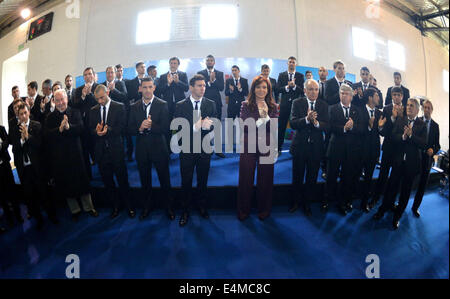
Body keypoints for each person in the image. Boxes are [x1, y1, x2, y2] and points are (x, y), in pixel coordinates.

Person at [45, 89, 98, 221]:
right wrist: (60, 129)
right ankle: (75, 210)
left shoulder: (75, 112)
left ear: (67, 99)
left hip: (76, 154)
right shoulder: (49, 118)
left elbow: (81, 128)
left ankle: (89, 207)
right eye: (57, 100)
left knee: (82, 182)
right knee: (66, 184)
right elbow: (47, 136)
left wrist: (69, 127)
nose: (60, 103)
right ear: (54, 102)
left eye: (62, 99)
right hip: (61, 157)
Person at [373, 98, 427, 230]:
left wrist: (411, 135)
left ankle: (397, 216)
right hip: (397, 162)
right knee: (391, 187)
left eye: (412, 106)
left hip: (411, 165)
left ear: (417, 109)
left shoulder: (422, 124)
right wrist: (403, 137)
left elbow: (423, 143)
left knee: (405, 192)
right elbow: (392, 136)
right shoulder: (401, 119)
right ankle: (382, 209)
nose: (408, 107)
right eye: (407, 105)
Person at [128, 78, 174, 221]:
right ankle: (147, 207)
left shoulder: (162, 104)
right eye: (144, 87)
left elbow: (166, 128)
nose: (147, 90)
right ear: (140, 89)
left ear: (154, 88)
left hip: (159, 148)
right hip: (142, 150)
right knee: (145, 181)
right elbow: (129, 128)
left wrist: (151, 125)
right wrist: (140, 128)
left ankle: (169, 207)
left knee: (165, 180)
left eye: (150, 87)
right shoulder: (134, 106)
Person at [174, 74, 216, 227]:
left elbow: (214, 126)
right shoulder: (180, 105)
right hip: (187, 150)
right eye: (199, 85)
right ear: (191, 87)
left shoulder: (210, 104)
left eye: (204, 85)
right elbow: (176, 131)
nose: (202, 88)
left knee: (202, 180)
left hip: (204, 150)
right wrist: (195, 127)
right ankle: (185, 210)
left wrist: (209, 126)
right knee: (186, 181)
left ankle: (201, 206)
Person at [9, 103, 58, 230]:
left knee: (44, 194)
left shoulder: (37, 125)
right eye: (21, 114)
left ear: (29, 112)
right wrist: (21, 140)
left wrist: (28, 137)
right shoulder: (14, 130)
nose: (24, 116)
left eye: (25, 113)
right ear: (18, 116)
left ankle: (52, 216)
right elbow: (14, 150)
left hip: (37, 168)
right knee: (31, 197)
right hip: (24, 169)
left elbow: (40, 145)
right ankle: (39, 219)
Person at [90, 85, 135, 219]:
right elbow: (90, 130)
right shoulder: (93, 110)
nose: (100, 101)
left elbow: (122, 128)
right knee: (108, 182)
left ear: (108, 93)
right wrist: (96, 131)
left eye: (102, 97)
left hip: (116, 150)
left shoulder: (119, 106)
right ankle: (115, 206)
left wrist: (108, 131)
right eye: (97, 99)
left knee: (123, 180)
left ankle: (129, 205)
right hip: (101, 153)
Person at [237, 76, 278, 221]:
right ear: (253, 89)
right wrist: (263, 119)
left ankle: (264, 210)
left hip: (266, 145)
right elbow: (245, 125)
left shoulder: (273, 106)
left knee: (266, 180)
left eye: (264, 87)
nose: (261, 90)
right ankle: (243, 211)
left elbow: (273, 128)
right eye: (259, 87)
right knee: (245, 180)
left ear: (268, 90)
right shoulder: (246, 104)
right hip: (249, 145)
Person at [289, 79, 329, 216]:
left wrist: (317, 123)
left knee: (312, 178)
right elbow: (293, 123)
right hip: (300, 146)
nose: (314, 92)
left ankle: (307, 204)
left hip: (316, 148)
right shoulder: (297, 103)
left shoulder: (323, 105)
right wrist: (306, 119)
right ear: (305, 91)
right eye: (311, 89)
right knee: (297, 177)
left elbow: (327, 125)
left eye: (316, 89)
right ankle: (295, 202)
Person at [323, 83, 363, 215]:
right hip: (335, 148)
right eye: (342, 93)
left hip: (351, 150)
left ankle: (343, 202)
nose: (344, 96)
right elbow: (328, 127)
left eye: (347, 94)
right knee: (331, 176)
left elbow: (361, 129)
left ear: (352, 96)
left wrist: (352, 127)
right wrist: (344, 129)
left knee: (347, 177)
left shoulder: (357, 110)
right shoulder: (331, 108)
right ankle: (327, 200)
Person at [369, 87, 406, 208]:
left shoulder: (407, 109)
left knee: (395, 177)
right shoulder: (386, 109)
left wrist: (399, 118)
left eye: (398, 95)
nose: (396, 97)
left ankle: (390, 201)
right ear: (391, 96)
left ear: (402, 96)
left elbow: (405, 129)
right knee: (383, 175)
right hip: (388, 147)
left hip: (400, 149)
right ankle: (375, 198)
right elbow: (383, 131)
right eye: (394, 94)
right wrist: (393, 118)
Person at [412, 100, 440, 217]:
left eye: (429, 108)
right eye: (425, 108)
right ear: (422, 109)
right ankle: (401, 203)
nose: (427, 110)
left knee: (422, 185)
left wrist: (433, 150)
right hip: (415, 157)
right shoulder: (416, 122)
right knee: (410, 182)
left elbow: (437, 145)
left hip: (427, 160)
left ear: (432, 110)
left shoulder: (435, 126)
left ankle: (415, 207)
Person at [359, 88, 383, 212]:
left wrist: (380, 127)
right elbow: (357, 131)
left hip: (373, 151)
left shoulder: (379, 113)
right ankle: (347, 200)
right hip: (360, 150)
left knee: (368, 178)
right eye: (376, 95)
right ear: (370, 98)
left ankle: (364, 203)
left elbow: (382, 133)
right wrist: (369, 126)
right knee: (354, 176)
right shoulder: (359, 110)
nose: (378, 98)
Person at [73, 67, 99, 179]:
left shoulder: (98, 87)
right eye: (85, 74)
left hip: (96, 123)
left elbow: (99, 102)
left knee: (97, 149)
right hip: (83, 124)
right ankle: (88, 176)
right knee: (85, 150)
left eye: (89, 74)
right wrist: (83, 95)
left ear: (93, 75)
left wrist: (89, 94)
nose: (87, 76)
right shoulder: (78, 90)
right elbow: (75, 105)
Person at [276, 56, 305, 156]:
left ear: (295, 64)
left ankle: (298, 148)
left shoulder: (300, 76)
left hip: (297, 106)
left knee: (299, 127)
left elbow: (302, 90)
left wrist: (295, 86)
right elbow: (278, 89)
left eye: (293, 62)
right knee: (281, 127)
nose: (292, 63)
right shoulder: (282, 75)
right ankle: (278, 148)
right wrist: (288, 87)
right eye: (290, 62)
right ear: (287, 63)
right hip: (284, 105)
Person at [0, 125, 23, 226]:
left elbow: (7, 141)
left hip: (5, 164)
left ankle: (18, 215)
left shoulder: (1, 128)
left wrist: (0, 145)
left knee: (12, 189)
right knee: (1, 195)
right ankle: (9, 218)